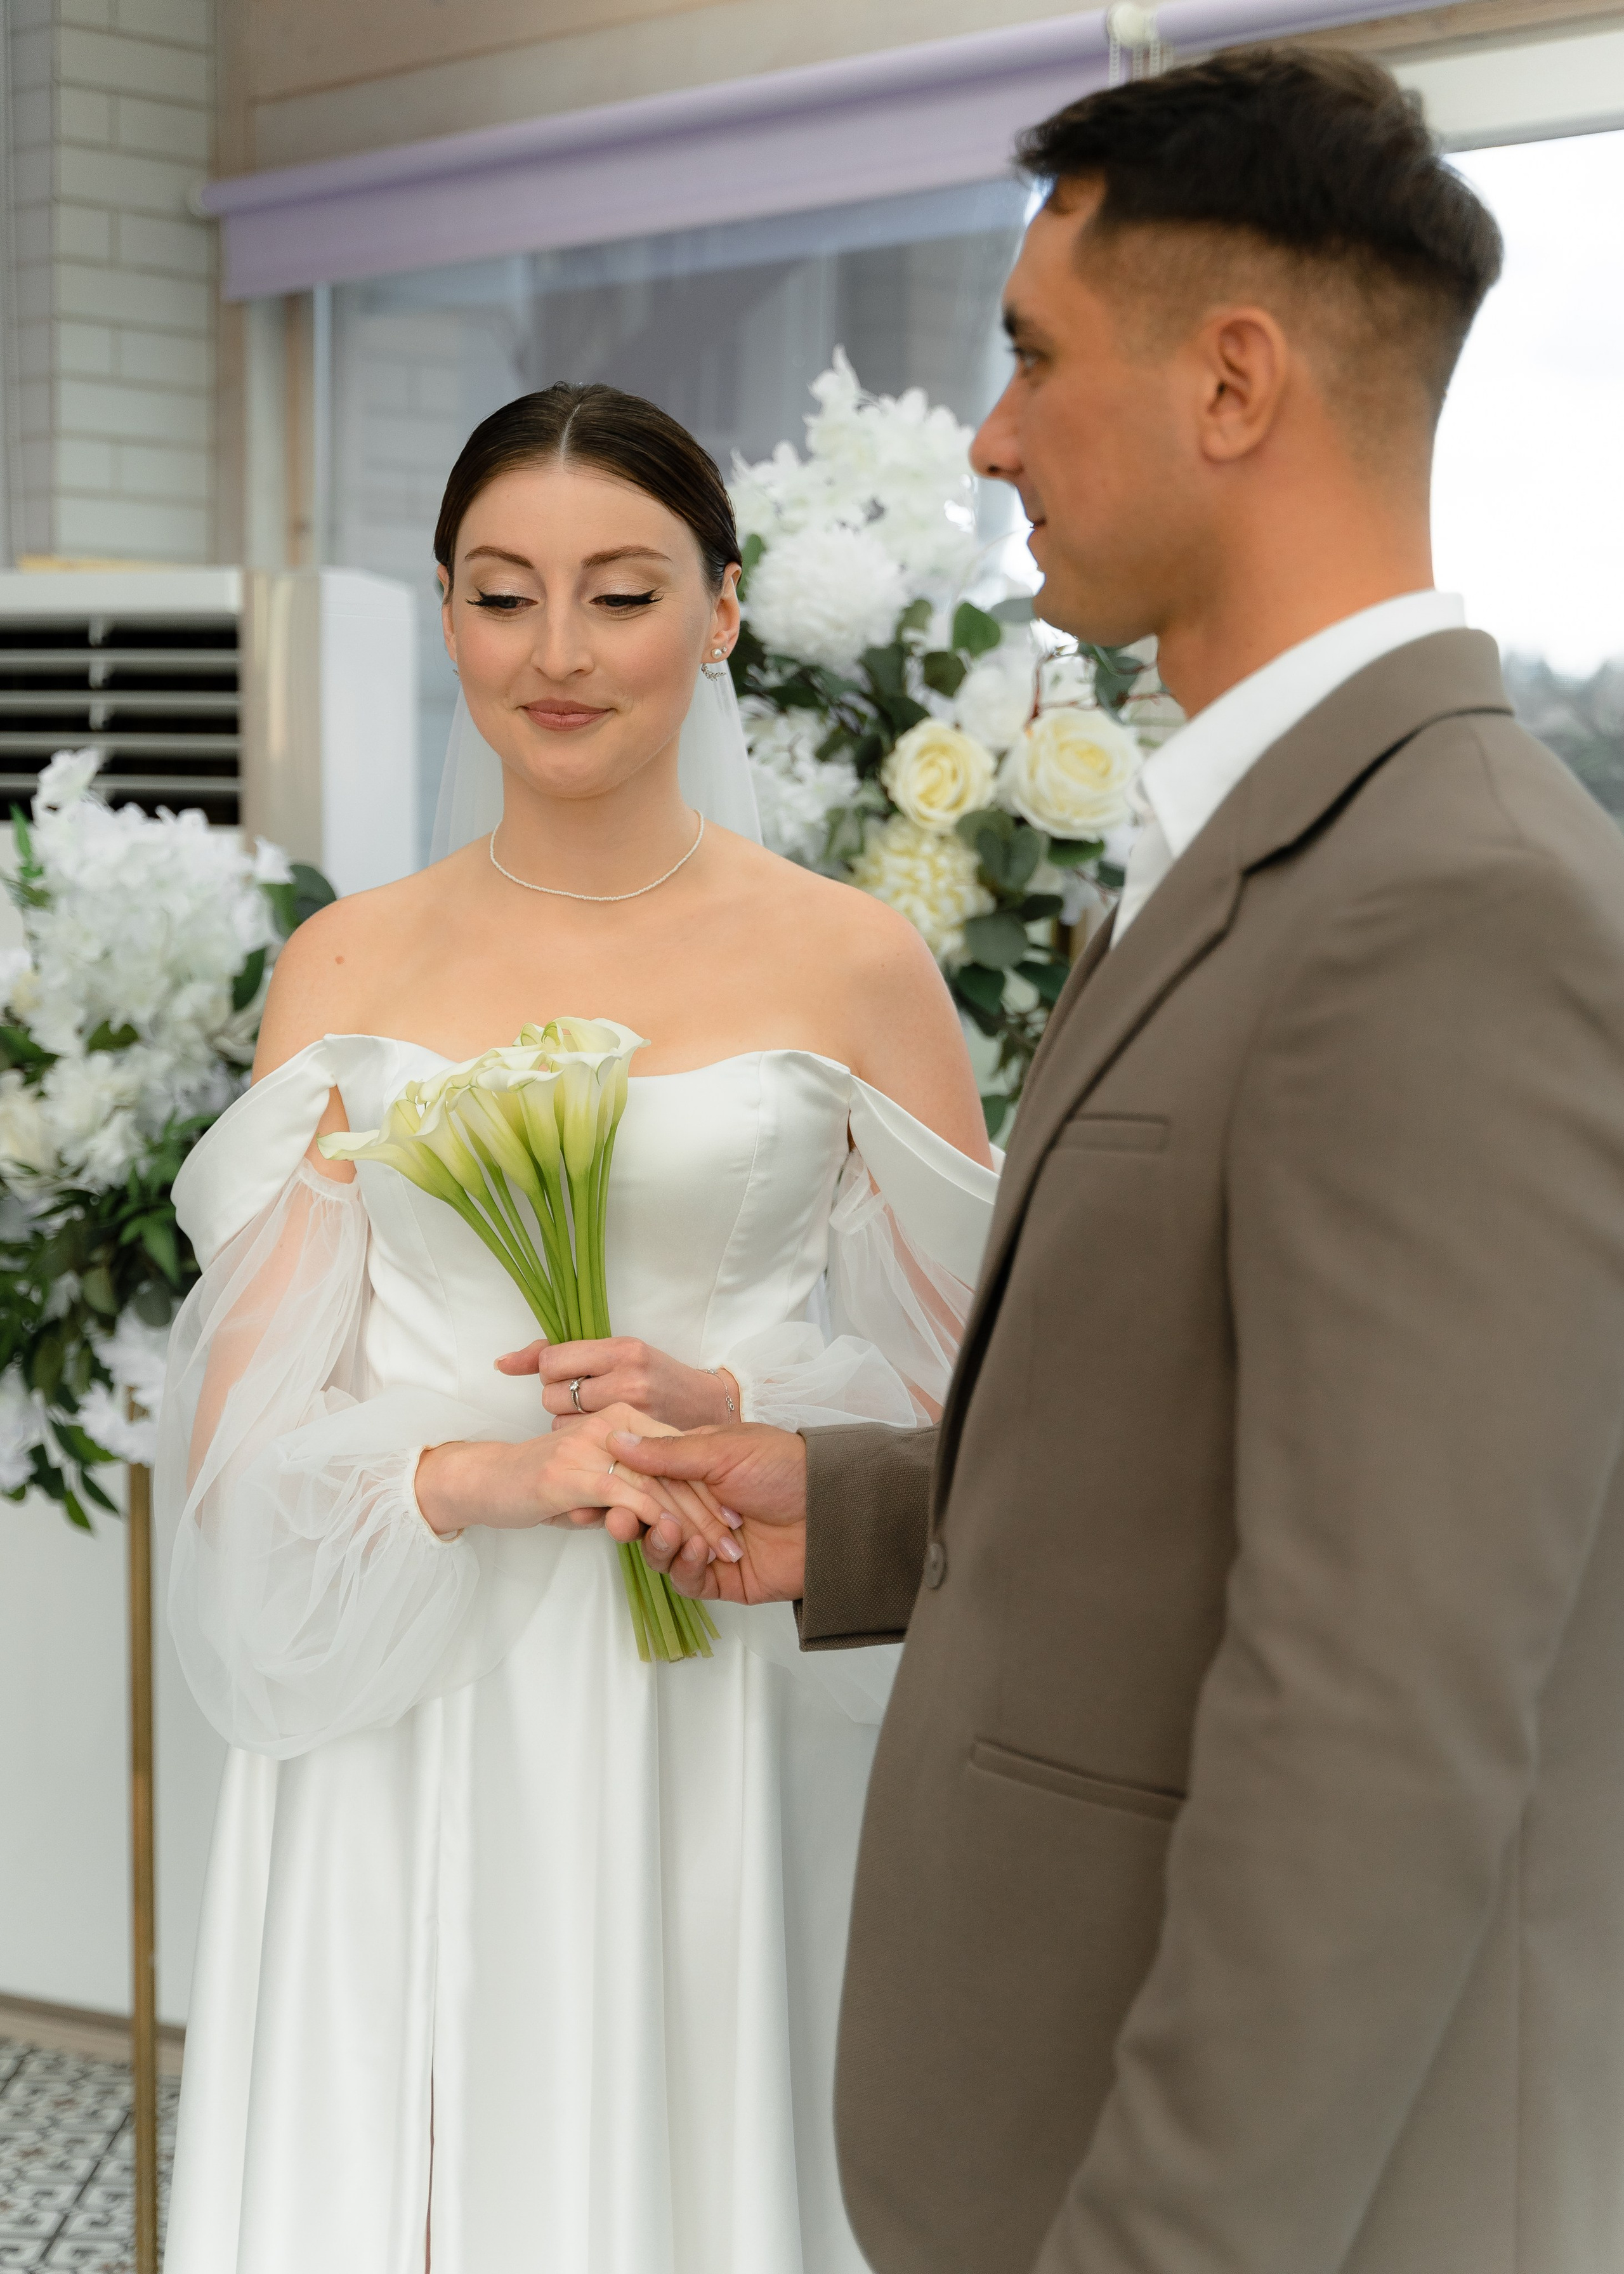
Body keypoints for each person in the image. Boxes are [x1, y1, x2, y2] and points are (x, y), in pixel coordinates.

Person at [614, 48, 1624, 2274]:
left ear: (1236, 384)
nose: (991, 436)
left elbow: (1385, 1728)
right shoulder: (1273, 844)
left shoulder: (1457, 899)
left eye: (1034, 358)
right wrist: (865, 1504)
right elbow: (1230, 1449)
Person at [155, 382, 997, 2273]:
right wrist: (484, 1472)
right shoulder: (346, 963)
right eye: (498, 591)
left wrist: (737, 1401)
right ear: (444, 607)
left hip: (719, 1685)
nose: (554, 653)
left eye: (619, 595)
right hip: (410, 1695)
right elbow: (236, 1443)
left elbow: (1009, 1394)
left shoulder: (854, 958)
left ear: (718, 613)